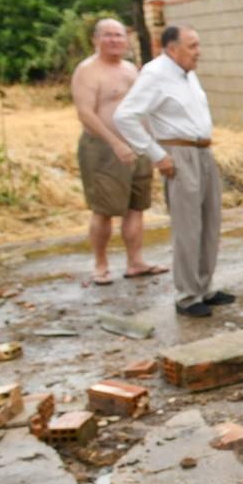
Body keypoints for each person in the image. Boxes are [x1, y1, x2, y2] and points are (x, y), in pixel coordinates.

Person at [113, 25, 233, 318]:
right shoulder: (155, 74)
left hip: (203, 151)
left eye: (198, 45)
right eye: (192, 46)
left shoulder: (187, 73)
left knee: (210, 221)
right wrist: (156, 154)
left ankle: (205, 287)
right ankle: (187, 295)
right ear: (172, 48)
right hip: (179, 154)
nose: (198, 51)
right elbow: (124, 116)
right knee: (188, 226)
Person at [72, 18, 167, 285]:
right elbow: (85, 114)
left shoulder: (130, 69)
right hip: (103, 149)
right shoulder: (88, 71)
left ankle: (135, 261)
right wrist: (116, 143)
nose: (114, 40)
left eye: (118, 35)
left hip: (137, 146)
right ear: (95, 39)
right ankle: (100, 265)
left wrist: (150, 143)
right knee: (104, 209)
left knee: (136, 206)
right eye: (107, 35)